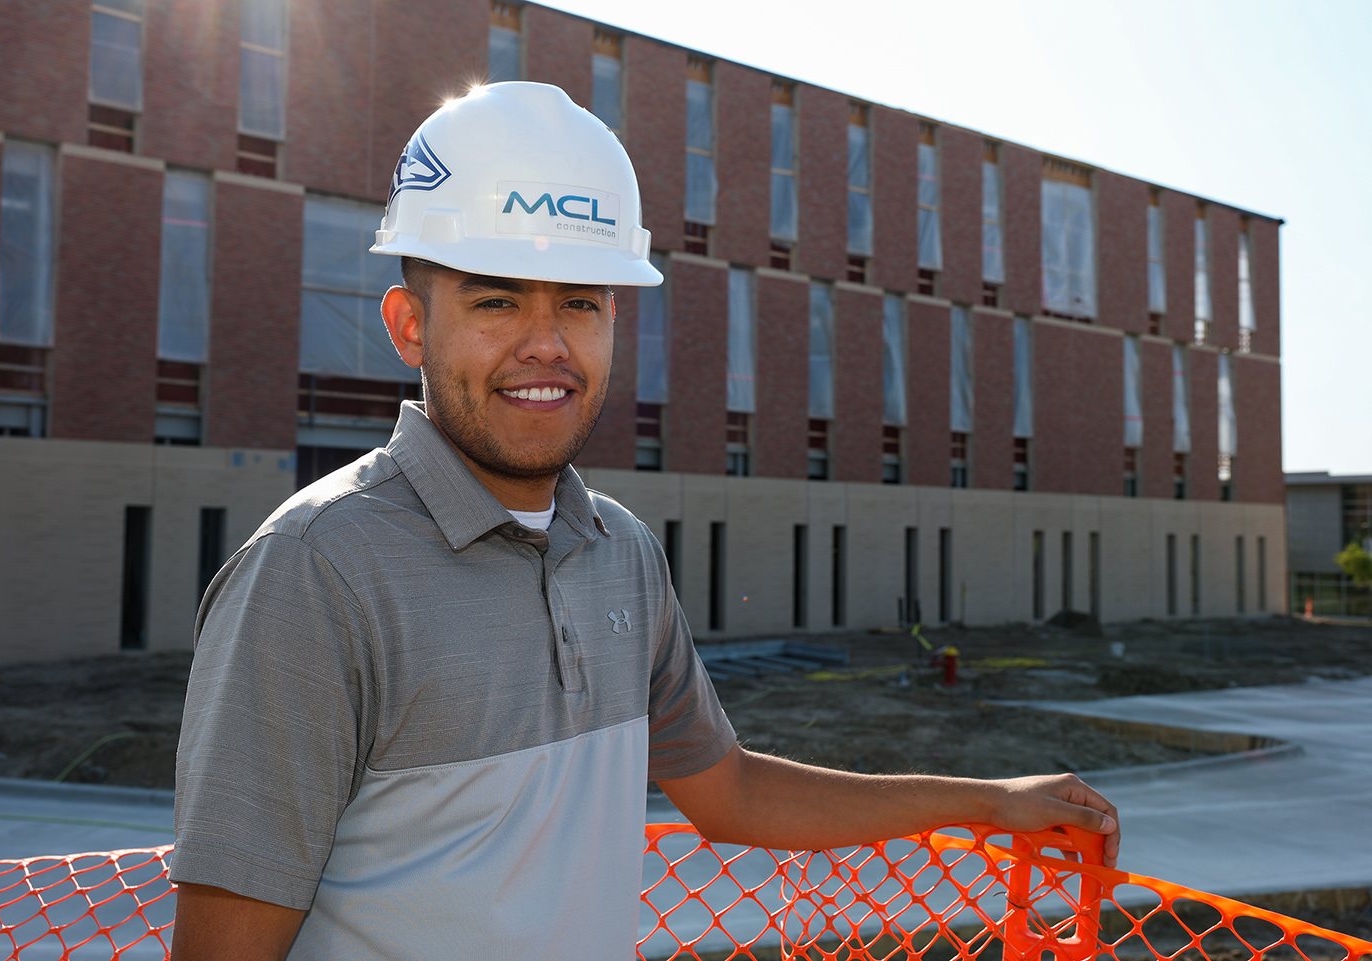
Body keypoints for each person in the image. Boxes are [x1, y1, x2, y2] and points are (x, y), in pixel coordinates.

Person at [169, 82, 1118, 961]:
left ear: (616, 321)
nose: (546, 343)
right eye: (495, 298)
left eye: (580, 301)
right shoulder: (313, 571)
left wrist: (990, 800)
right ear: (410, 325)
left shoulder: (618, 551)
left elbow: (733, 790)